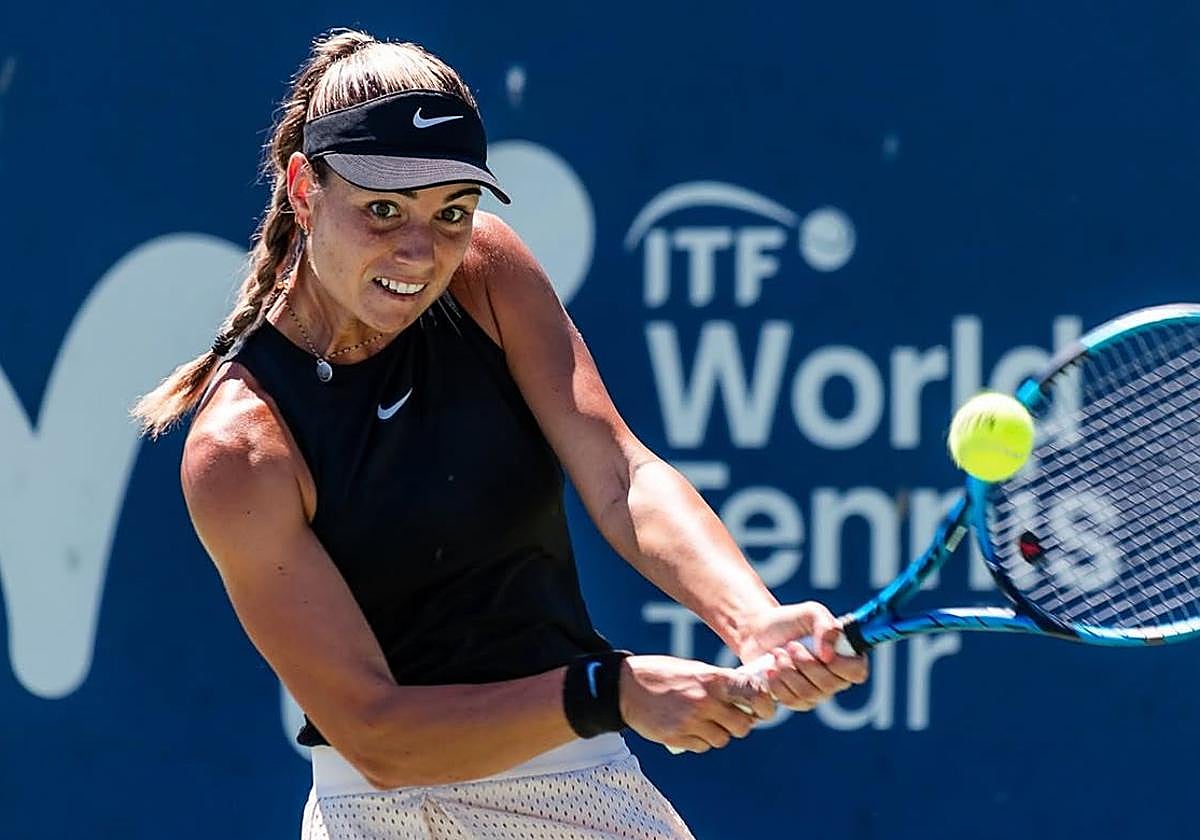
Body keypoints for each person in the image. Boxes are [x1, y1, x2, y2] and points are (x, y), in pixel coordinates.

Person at [133, 28, 868, 840]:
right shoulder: (241, 450)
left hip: (582, 773)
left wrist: (750, 617)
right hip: (388, 812)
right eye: (383, 209)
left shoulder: (484, 273)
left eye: (452, 211)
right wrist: (610, 692)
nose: (420, 251)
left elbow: (620, 475)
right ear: (305, 190)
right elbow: (375, 733)